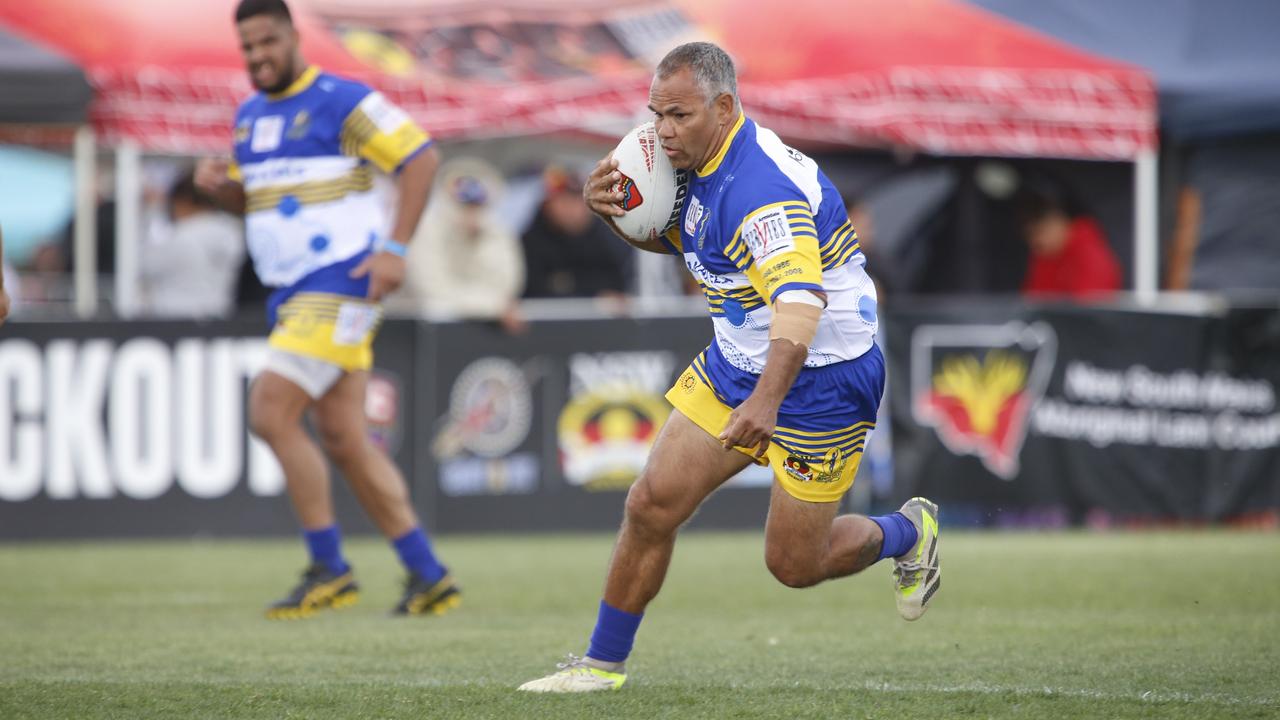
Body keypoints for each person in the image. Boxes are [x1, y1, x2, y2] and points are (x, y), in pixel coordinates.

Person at [519, 42, 940, 693]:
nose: (661, 130)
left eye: (679, 115)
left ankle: (908, 531)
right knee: (651, 503)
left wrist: (767, 403)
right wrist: (617, 217)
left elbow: (800, 302)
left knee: (795, 565)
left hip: (823, 377)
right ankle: (600, 668)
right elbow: (692, 240)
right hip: (740, 359)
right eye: (656, 112)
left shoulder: (758, 189)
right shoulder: (690, 158)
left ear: (723, 106)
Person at [194, 0, 459, 620]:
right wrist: (226, 192)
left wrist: (394, 249)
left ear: (291, 36)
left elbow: (421, 157)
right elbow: (261, 207)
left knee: (269, 408)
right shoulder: (248, 116)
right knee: (344, 438)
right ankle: (428, 575)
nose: (257, 57)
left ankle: (329, 566)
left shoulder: (342, 99)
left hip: (341, 282)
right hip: (292, 295)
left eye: (266, 42)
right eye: (248, 48)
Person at [395, 158, 526, 333]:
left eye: (476, 205)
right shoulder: (425, 229)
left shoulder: (497, 231)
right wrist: (493, 307)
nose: (471, 212)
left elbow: (508, 284)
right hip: (420, 336)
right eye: (465, 204)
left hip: (483, 332)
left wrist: (478, 240)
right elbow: (433, 293)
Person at [140, 171, 245, 318]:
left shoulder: (179, 235)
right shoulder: (234, 233)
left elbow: (144, 267)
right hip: (220, 318)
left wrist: (151, 212)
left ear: (183, 200)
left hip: (175, 323)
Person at [521, 165, 632, 300]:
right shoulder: (530, 243)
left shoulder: (608, 238)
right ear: (547, 203)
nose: (573, 209)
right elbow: (533, 289)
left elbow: (619, 283)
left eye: (579, 201)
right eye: (564, 201)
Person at [1019, 190, 1121, 298]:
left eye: (1040, 231)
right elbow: (1033, 300)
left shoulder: (1089, 255)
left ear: (1060, 221)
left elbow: (1088, 308)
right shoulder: (1044, 257)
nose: (1035, 240)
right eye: (1029, 235)